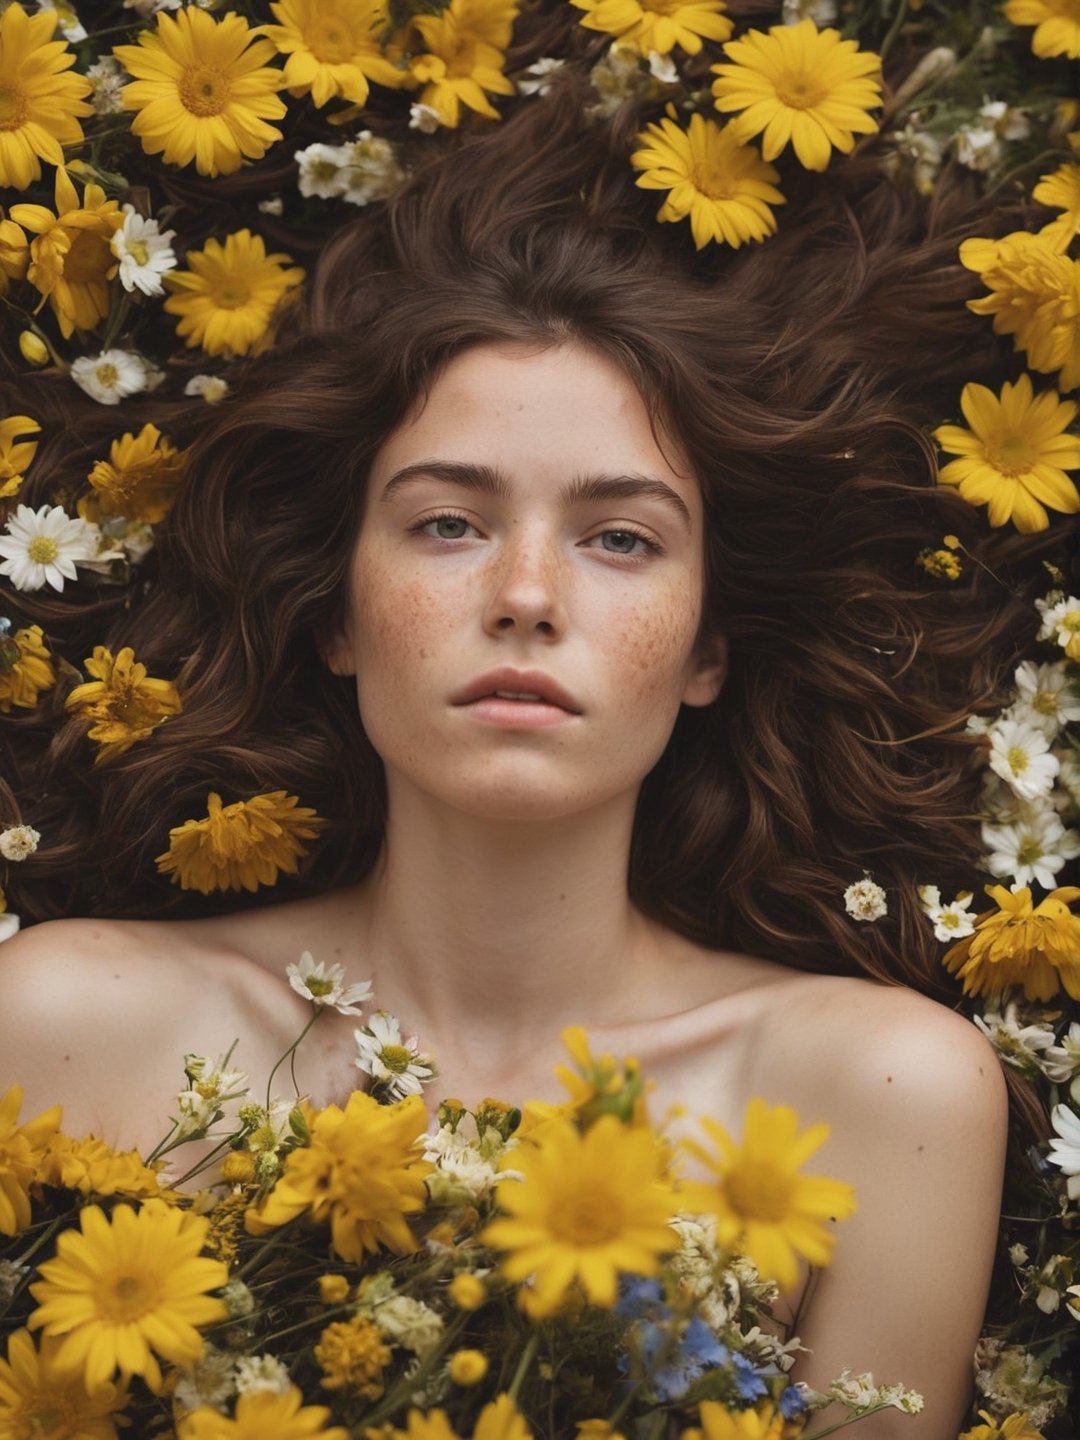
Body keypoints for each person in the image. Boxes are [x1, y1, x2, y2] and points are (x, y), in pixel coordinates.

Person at [0, 86, 1053, 1437]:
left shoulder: (883, 1097)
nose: (527, 593)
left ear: (705, 650)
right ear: (335, 612)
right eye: (447, 524)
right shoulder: (64, 1026)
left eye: (621, 538)